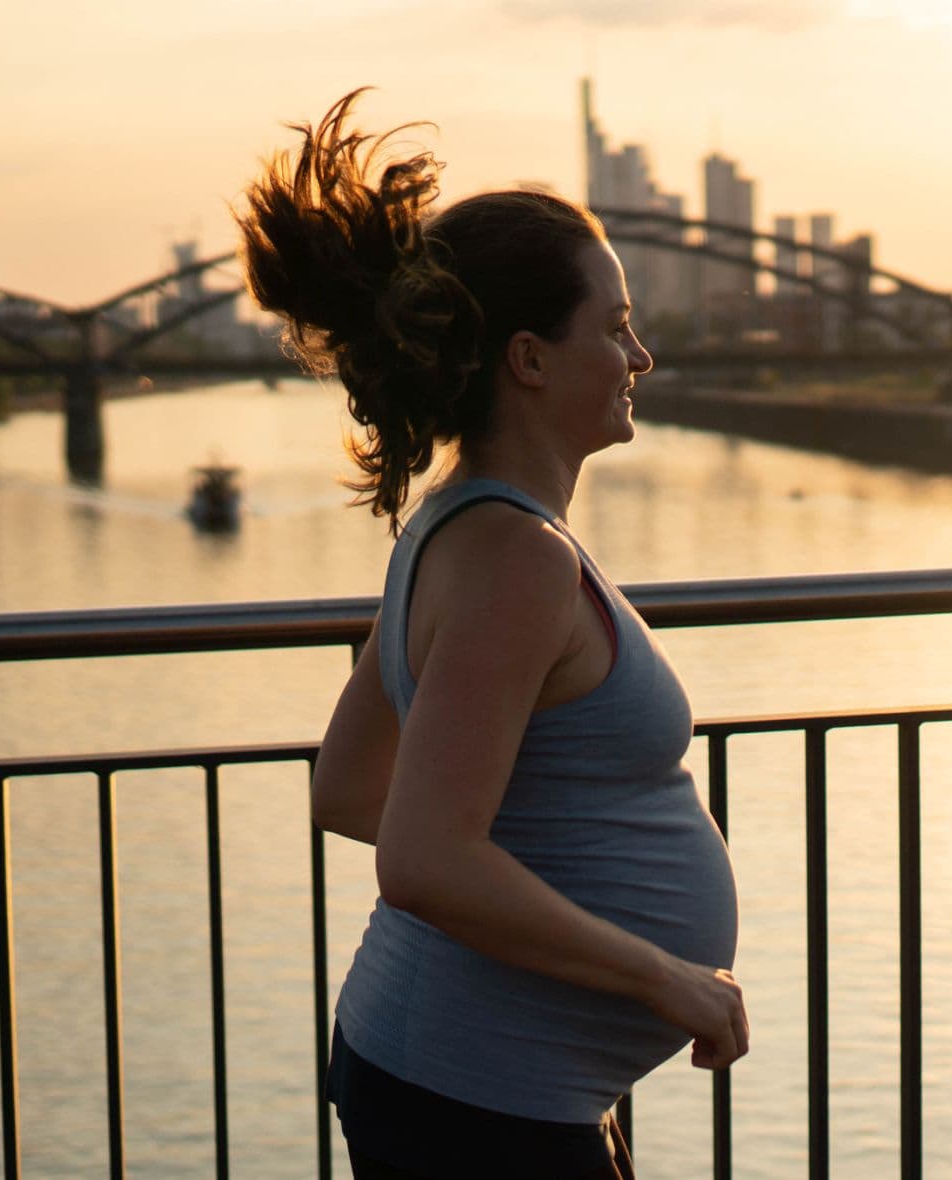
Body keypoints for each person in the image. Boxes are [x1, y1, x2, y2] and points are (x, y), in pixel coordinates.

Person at [237, 90, 746, 1179]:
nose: (639, 355)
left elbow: (347, 785)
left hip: (480, 1077)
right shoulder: (515, 559)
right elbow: (422, 856)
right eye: (611, 327)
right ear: (528, 358)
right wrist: (660, 973)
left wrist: (534, 874)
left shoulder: (454, 528)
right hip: (477, 1098)